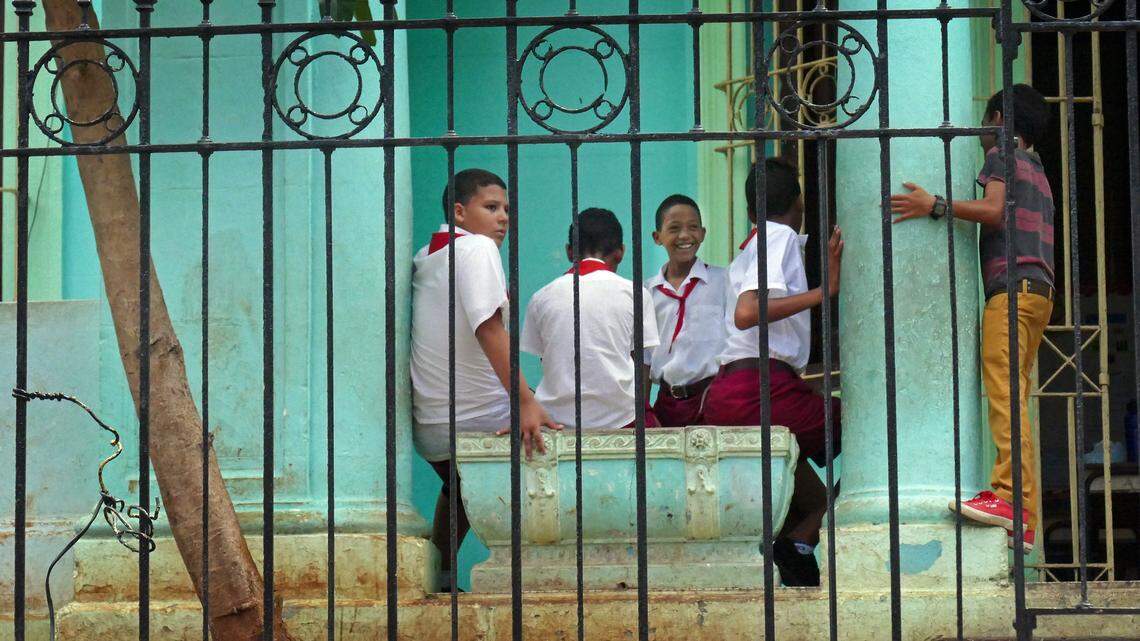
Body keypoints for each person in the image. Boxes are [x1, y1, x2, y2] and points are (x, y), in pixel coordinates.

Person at [891, 84, 1054, 554]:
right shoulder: (1037, 168)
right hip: (1038, 294)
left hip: (1013, 291)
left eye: (986, 120)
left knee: (1005, 398)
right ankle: (1023, 519)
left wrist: (935, 205)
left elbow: (993, 211)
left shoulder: (1002, 152)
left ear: (1000, 119)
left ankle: (1011, 500)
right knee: (1014, 398)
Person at [410, 168, 561, 590]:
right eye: (491, 207)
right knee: (560, 444)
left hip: (432, 424)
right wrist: (526, 401)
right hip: (476, 416)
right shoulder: (476, 250)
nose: (503, 219)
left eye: (507, 210)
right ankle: (539, 581)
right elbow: (489, 329)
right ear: (459, 212)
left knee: (457, 487)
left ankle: (440, 574)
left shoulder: (429, 254)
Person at [701, 157, 843, 586]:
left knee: (810, 494)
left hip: (732, 389)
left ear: (748, 211)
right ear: (798, 203)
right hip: (760, 387)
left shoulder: (752, 243)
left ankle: (797, 547)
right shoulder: (778, 235)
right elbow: (748, 313)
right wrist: (826, 290)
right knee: (876, 432)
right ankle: (799, 539)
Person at [521, 208, 661, 430]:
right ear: (621, 252)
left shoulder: (541, 297)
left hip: (556, 422)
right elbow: (639, 362)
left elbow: (546, 359)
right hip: (623, 420)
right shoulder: (635, 294)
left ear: (569, 251)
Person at [645, 194, 729, 427]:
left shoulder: (723, 281)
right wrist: (643, 412)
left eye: (693, 228)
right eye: (674, 228)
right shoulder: (647, 293)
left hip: (711, 398)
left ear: (702, 233)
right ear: (657, 237)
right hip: (666, 402)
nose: (684, 236)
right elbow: (643, 359)